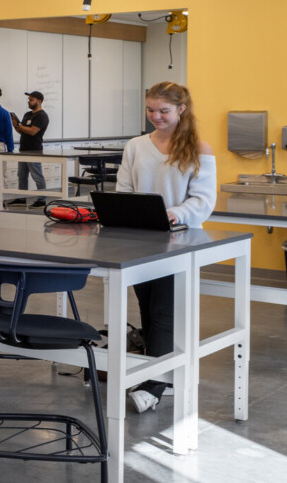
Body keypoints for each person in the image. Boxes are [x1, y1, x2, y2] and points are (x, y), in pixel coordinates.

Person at [118, 81, 216, 413]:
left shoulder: (200, 149)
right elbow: (124, 188)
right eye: (150, 110)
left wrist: (172, 214)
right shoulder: (135, 146)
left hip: (180, 242)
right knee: (148, 310)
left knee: (162, 312)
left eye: (164, 111)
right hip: (140, 241)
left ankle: (155, 384)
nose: (156, 116)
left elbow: (203, 201)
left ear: (181, 110)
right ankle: (165, 375)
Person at [11, 91, 50, 208]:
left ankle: (42, 200)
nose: (29, 102)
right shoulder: (27, 114)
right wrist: (15, 124)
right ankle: (21, 198)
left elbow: (33, 131)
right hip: (23, 149)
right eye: (28, 100)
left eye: (31, 99)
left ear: (39, 101)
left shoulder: (42, 116)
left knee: (37, 175)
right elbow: (21, 130)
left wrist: (19, 126)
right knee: (21, 175)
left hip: (34, 150)